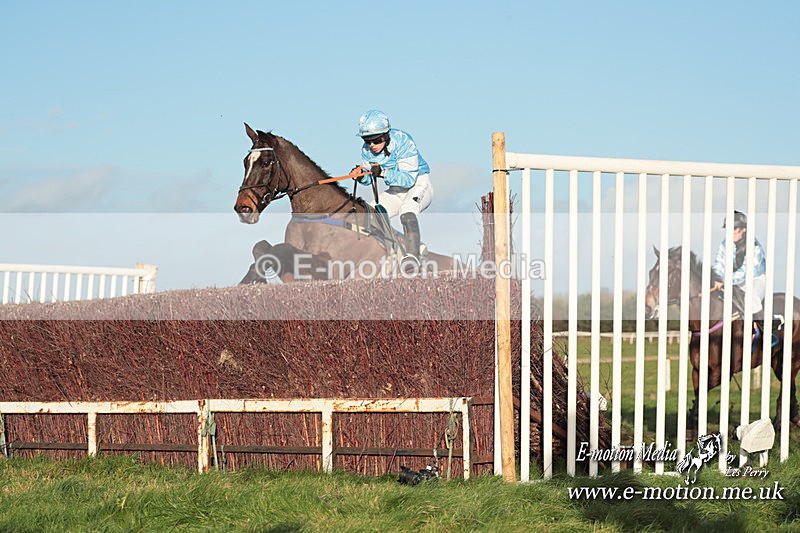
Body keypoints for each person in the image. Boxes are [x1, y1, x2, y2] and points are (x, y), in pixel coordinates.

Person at [353, 109, 432, 262]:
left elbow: (408, 180)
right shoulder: (366, 151)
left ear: (386, 136)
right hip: (396, 190)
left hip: (418, 184)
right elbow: (370, 179)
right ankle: (412, 244)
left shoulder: (403, 141)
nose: (371, 145)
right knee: (369, 215)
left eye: (376, 140)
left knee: (407, 212)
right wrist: (361, 175)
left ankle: (412, 258)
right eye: (367, 141)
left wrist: (382, 172)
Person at [711, 211, 767, 317]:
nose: (730, 233)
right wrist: (717, 278)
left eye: (734, 229)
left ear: (743, 230)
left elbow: (745, 272)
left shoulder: (755, 247)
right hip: (734, 280)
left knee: (751, 299)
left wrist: (725, 280)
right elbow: (719, 262)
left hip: (756, 279)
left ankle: (763, 329)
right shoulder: (725, 243)